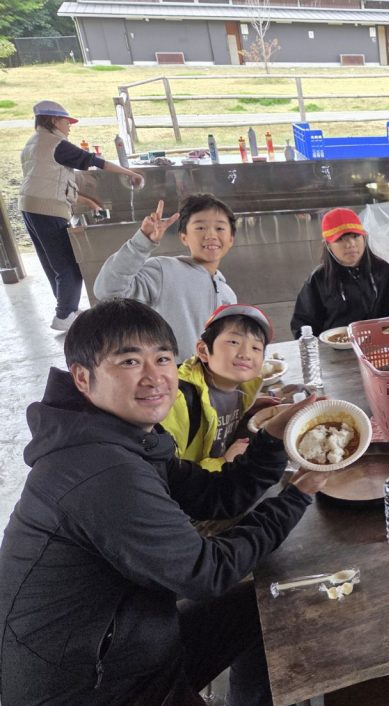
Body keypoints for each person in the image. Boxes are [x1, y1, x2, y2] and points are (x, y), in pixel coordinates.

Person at [0, 298, 327, 706]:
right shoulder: (100, 470)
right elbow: (205, 572)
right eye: (129, 361)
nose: (154, 376)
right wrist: (296, 495)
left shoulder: (123, 439)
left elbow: (217, 495)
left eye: (163, 358)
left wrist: (271, 439)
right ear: (82, 378)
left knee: (268, 602)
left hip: (138, 654)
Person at [18, 99, 144, 332]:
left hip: (30, 207)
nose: (69, 127)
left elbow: (51, 181)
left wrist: (88, 202)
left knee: (53, 264)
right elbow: (94, 161)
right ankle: (64, 314)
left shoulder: (33, 142)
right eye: (67, 122)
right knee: (68, 266)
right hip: (47, 211)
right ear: (54, 120)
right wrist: (130, 173)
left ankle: (67, 309)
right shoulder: (57, 144)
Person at [94, 195, 239, 362]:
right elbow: (107, 291)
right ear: (184, 237)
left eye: (220, 228)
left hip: (210, 375)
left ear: (231, 239)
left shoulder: (228, 295)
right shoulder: (163, 271)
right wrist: (142, 242)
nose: (211, 235)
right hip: (167, 373)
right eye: (200, 227)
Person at [162, 304, 272, 472]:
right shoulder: (177, 400)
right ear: (203, 351)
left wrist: (248, 411)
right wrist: (223, 461)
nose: (246, 354)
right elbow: (166, 473)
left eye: (256, 348)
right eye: (234, 342)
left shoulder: (242, 391)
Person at [290, 207, 389, 337]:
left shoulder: (382, 270)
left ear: (364, 237)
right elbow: (302, 325)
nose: (350, 244)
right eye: (340, 239)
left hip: (381, 345)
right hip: (335, 347)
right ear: (328, 245)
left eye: (355, 236)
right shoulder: (318, 279)